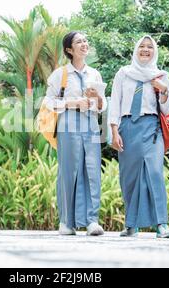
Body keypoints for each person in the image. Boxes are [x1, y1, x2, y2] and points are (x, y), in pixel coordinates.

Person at [108, 35, 169, 238]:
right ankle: (131, 225)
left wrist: (163, 91)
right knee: (129, 177)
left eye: (150, 47)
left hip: (152, 127)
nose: (146, 50)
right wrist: (113, 131)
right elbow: (115, 103)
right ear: (136, 50)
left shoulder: (161, 76)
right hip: (127, 126)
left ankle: (161, 225)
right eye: (142, 47)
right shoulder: (123, 73)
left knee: (154, 173)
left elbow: (167, 108)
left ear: (154, 51)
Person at [44, 31, 107, 236]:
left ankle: (91, 221)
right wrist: (72, 102)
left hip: (90, 123)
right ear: (69, 50)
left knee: (92, 170)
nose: (84, 44)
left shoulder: (94, 74)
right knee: (68, 170)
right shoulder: (60, 74)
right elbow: (48, 102)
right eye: (79, 42)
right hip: (68, 122)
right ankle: (66, 222)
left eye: (85, 41)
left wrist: (96, 99)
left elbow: (102, 105)